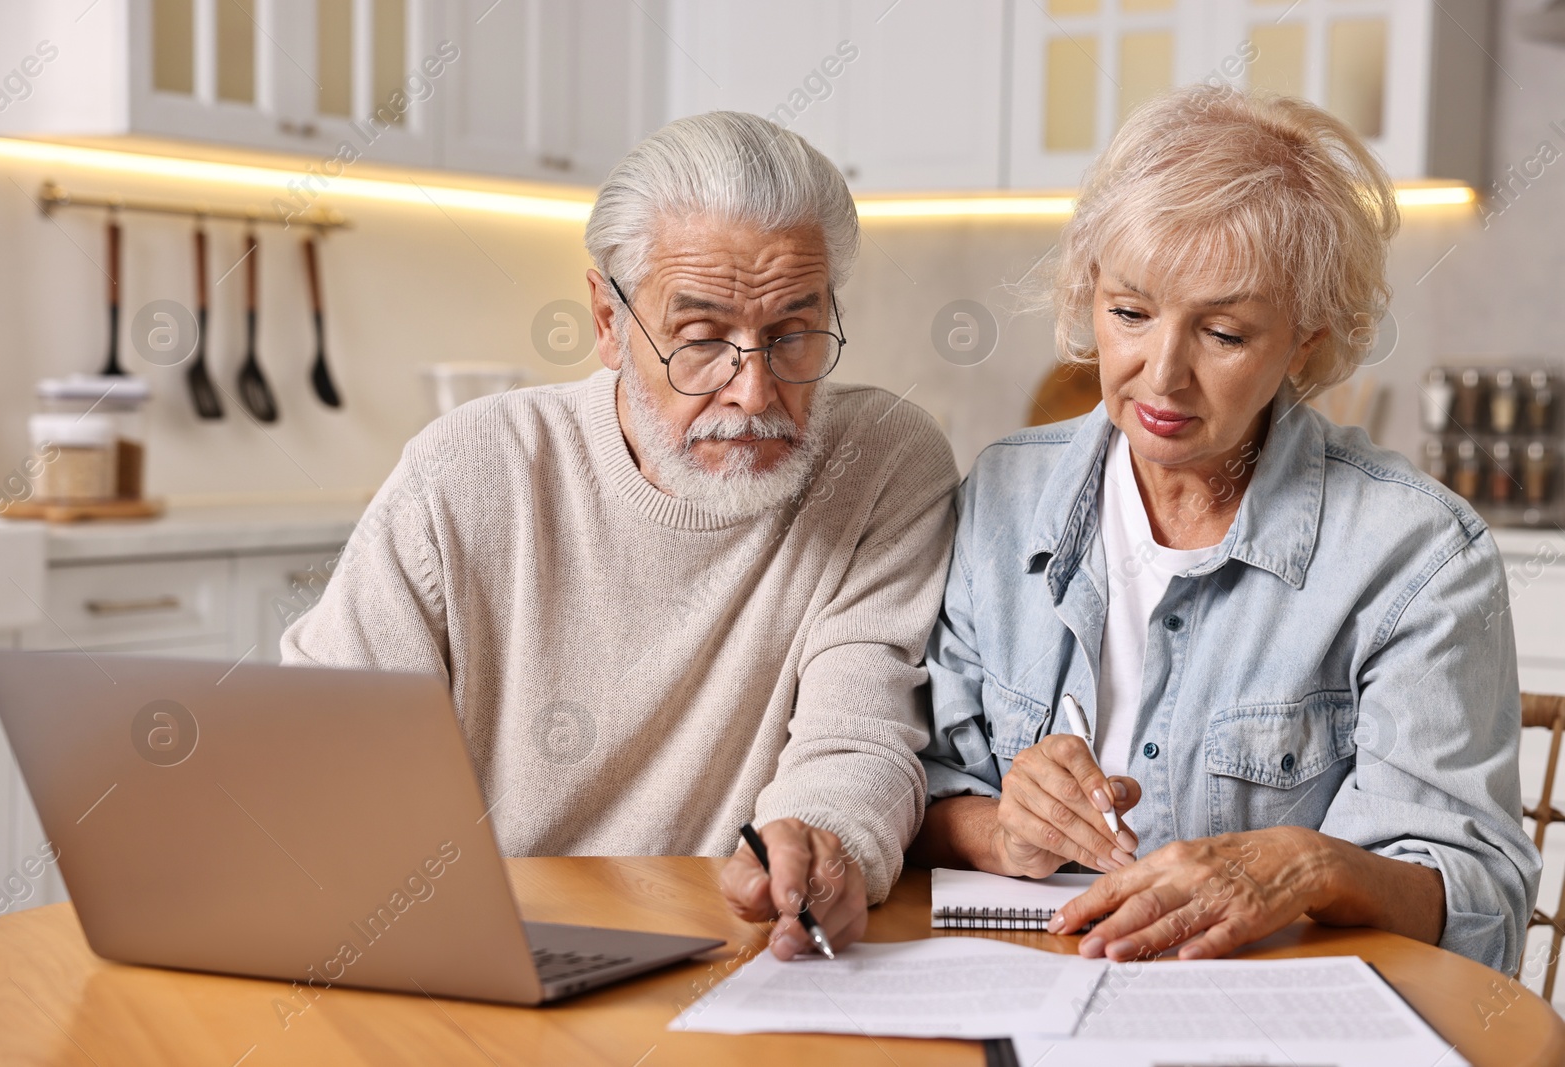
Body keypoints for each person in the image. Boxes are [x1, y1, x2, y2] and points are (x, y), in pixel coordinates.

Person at [283, 112, 959, 959]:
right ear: (608, 321)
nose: (753, 392)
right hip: (489, 946)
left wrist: (820, 843)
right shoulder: (470, 467)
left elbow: (861, 730)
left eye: (792, 333)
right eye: (702, 338)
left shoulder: (883, 462)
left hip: (732, 945)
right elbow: (328, 750)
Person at [910, 85, 1540, 973]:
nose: (1161, 375)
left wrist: (1308, 866)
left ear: (1308, 345)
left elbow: (1479, 899)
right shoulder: (1004, 496)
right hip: (1032, 999)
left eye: (1224, 333)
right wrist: (1005, 832)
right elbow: (922, 791)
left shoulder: (1418, 556)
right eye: (1129, 314)